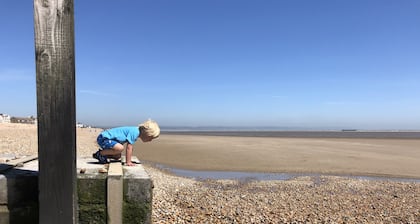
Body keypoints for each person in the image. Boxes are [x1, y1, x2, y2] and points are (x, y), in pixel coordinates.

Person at [92, 119, 160, 166]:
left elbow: (130, 148)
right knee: (120, 148)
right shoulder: (135, 132)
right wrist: (128, 162)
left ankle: (104, 155)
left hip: (107, 139)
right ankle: (99, 154)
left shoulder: (136, 131)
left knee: (117, 156)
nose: (150, 140)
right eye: (150, 138)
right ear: (146, 134)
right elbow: (129, 148)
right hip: (104, 138)